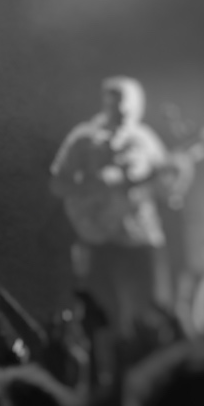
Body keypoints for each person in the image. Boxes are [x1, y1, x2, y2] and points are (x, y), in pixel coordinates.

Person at [47, 76, 173, 330]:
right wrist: (95, 185)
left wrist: (174, 177)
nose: (124, 109)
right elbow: (57, 184)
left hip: (139, 237)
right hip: (97, 237)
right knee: (102, 315)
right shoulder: (83, 138)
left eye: (130, 103)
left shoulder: (146, 140)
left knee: (149, 311)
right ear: (106, 103)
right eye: (118, 102)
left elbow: (167, 186)